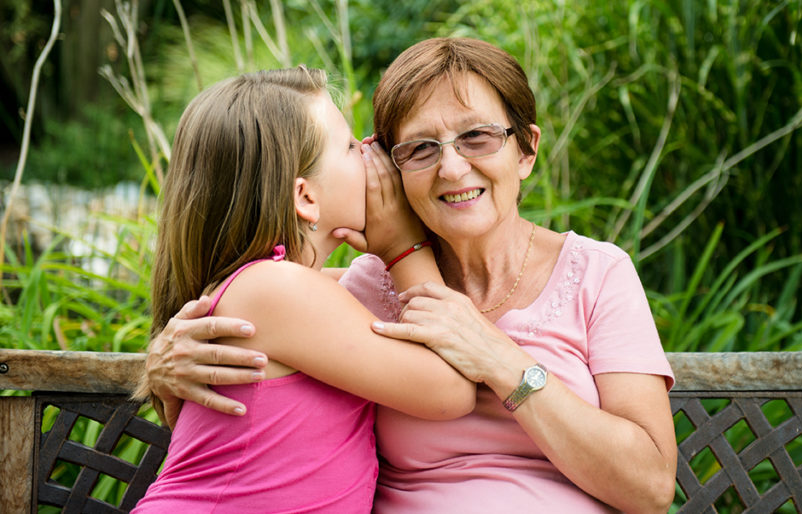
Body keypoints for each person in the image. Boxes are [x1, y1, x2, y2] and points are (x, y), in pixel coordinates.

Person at [144, 38, 678, 513]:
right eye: (420, 148)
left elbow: (651, 488)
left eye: (477, 137)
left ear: (527, 149)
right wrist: (162, 362)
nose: (451, 168)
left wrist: (501, 360)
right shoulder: (360, 287)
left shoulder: (598, 273)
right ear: (396, 169)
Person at [131, 66, 476, 513]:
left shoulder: (287, 288)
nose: (372, 149)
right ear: (306, 196)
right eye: (351, 146)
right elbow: (450, 392)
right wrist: (402, 245)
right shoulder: (274, 288)